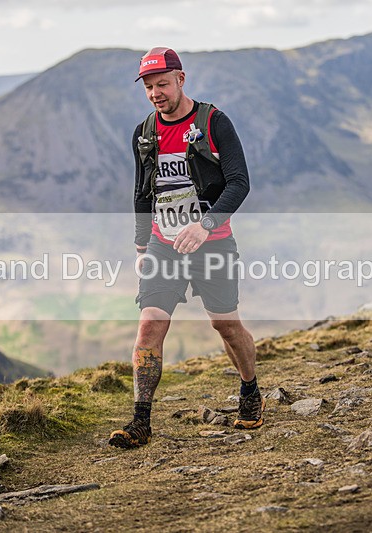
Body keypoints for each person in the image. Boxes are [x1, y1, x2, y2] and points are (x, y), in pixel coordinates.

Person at [109, 47, 263, 449]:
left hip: (212, 243)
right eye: (148, 87)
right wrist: (142, 246)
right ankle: (141, 420)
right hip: (163, 245)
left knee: (225, 326)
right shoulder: (144, 132)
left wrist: (205, 224)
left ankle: (249, 388)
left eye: (162, 84)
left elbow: (239, 183)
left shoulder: (214, 121)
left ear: (181, 79)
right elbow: (142, 194)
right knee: (149, 326)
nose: (155, 93)